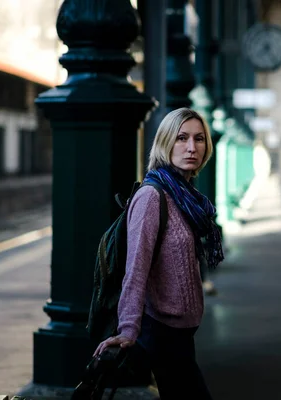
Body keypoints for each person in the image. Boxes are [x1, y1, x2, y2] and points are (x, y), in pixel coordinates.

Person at [93, 108, 224, 399]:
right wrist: (128, 329)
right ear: (165, 143)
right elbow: (136, 268)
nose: (192, 147)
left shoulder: (186, 196)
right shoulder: (152, 197)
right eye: (182, 138)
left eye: (199, 139)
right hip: (161, 331)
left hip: (182, 331)